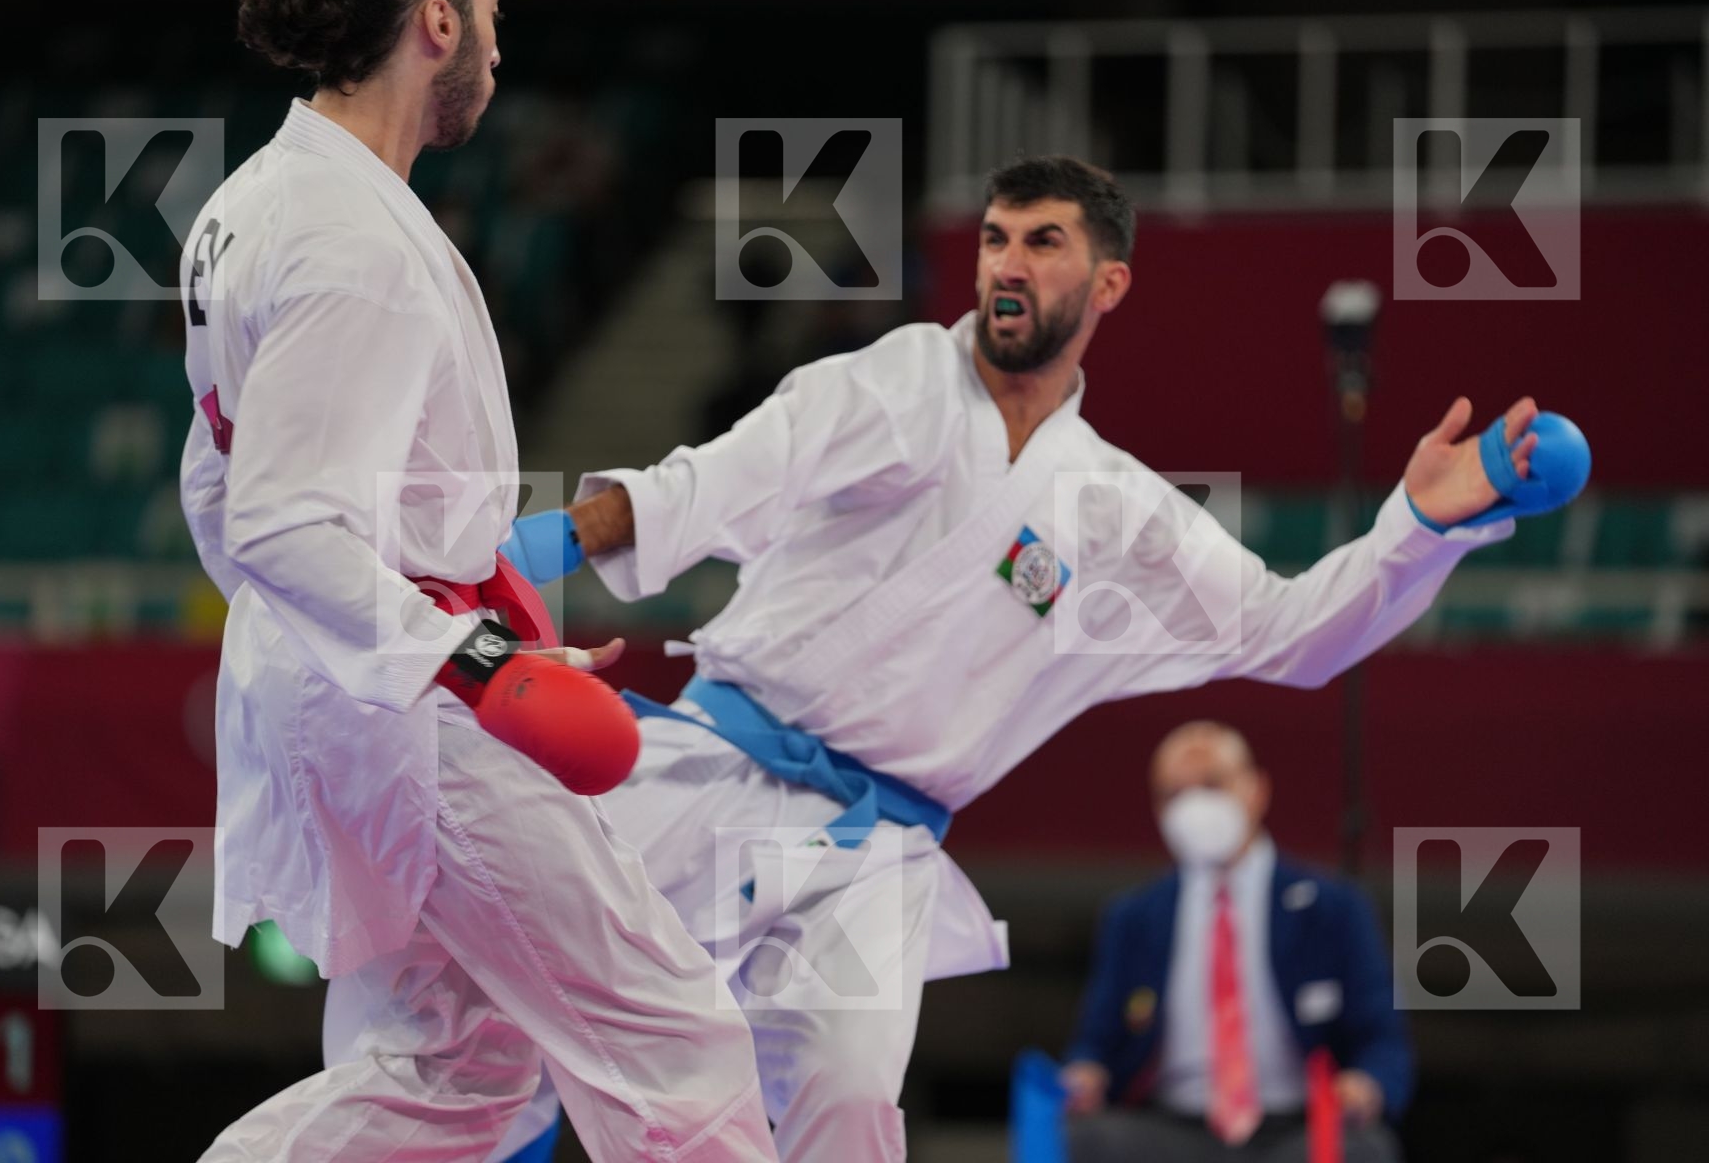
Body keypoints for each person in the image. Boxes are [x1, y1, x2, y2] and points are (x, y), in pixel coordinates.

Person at [497, 154, 1567, 1162]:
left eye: (1043, 242)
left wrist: (1418, 528)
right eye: (996, 239)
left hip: (877, 852)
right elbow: (722, 480)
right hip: (715, 775)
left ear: (1109, 284)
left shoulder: (1114, 511)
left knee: (853, 1091)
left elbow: (1291, 635)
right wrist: (536, 546)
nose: (1007, 263)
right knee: (517, 1020)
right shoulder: (906, 378)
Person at [178, 0, 777, 1158]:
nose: (500, 47)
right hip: (414, 710)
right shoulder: (357, 245)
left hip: (360, 675)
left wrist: (489, 626)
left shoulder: (255, 203)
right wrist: (478, 660)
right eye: (494, 9)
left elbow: (217, 480)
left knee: (459, 1073)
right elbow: (283, 522)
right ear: (437, 23)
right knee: (674, 1045)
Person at [1062, 720, 1410, 1163]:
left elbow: (1383, 1039)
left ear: (1256, 790)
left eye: (1212, 784)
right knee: (1084, 1142)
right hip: (1177, 1129)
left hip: (1295, 1129)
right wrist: (1085, 1074)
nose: (1194, 806)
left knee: (1364, 1152)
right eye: (1174, 794)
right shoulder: (1134, 918)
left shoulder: (1333, 909)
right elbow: (1097, 1040)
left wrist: (1367, 1085)